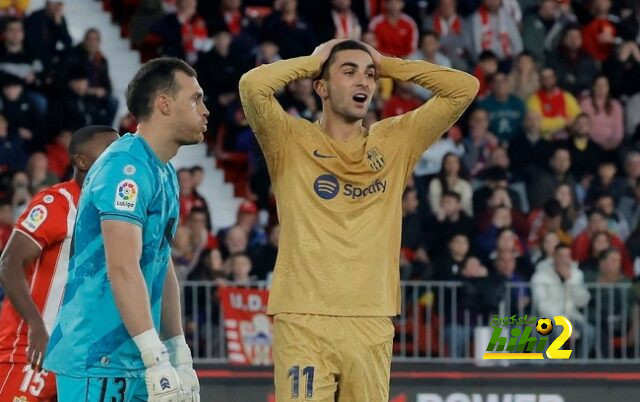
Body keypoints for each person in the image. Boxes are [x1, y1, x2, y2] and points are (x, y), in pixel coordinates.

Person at [239, 38, 478, 401]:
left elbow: (464, 89)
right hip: (304, 318)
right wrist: (312, 59)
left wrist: (386, 64)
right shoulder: (289, 139)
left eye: (368, 75)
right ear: (321, 87)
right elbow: (252, 86)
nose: (363, 82)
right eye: (348, 72)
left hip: (371, 319)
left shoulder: (397, 139)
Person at [43, 58, 208, 401]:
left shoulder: (164, 173)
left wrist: (178, 351)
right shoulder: (124, 168)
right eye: (195, 99)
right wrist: (155, 355)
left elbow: (162, 265)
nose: (204, 110)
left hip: (134, 358)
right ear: (164, 104)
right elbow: (122, 267)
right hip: (98, 359)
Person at [0, 125, 118, 402]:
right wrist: (36, 324)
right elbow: (8, 262)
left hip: (77, 362)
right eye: (109, 151)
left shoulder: (114, 215)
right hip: (31, 353)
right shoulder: (57, 202)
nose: (118, 158)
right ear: (81, 161)